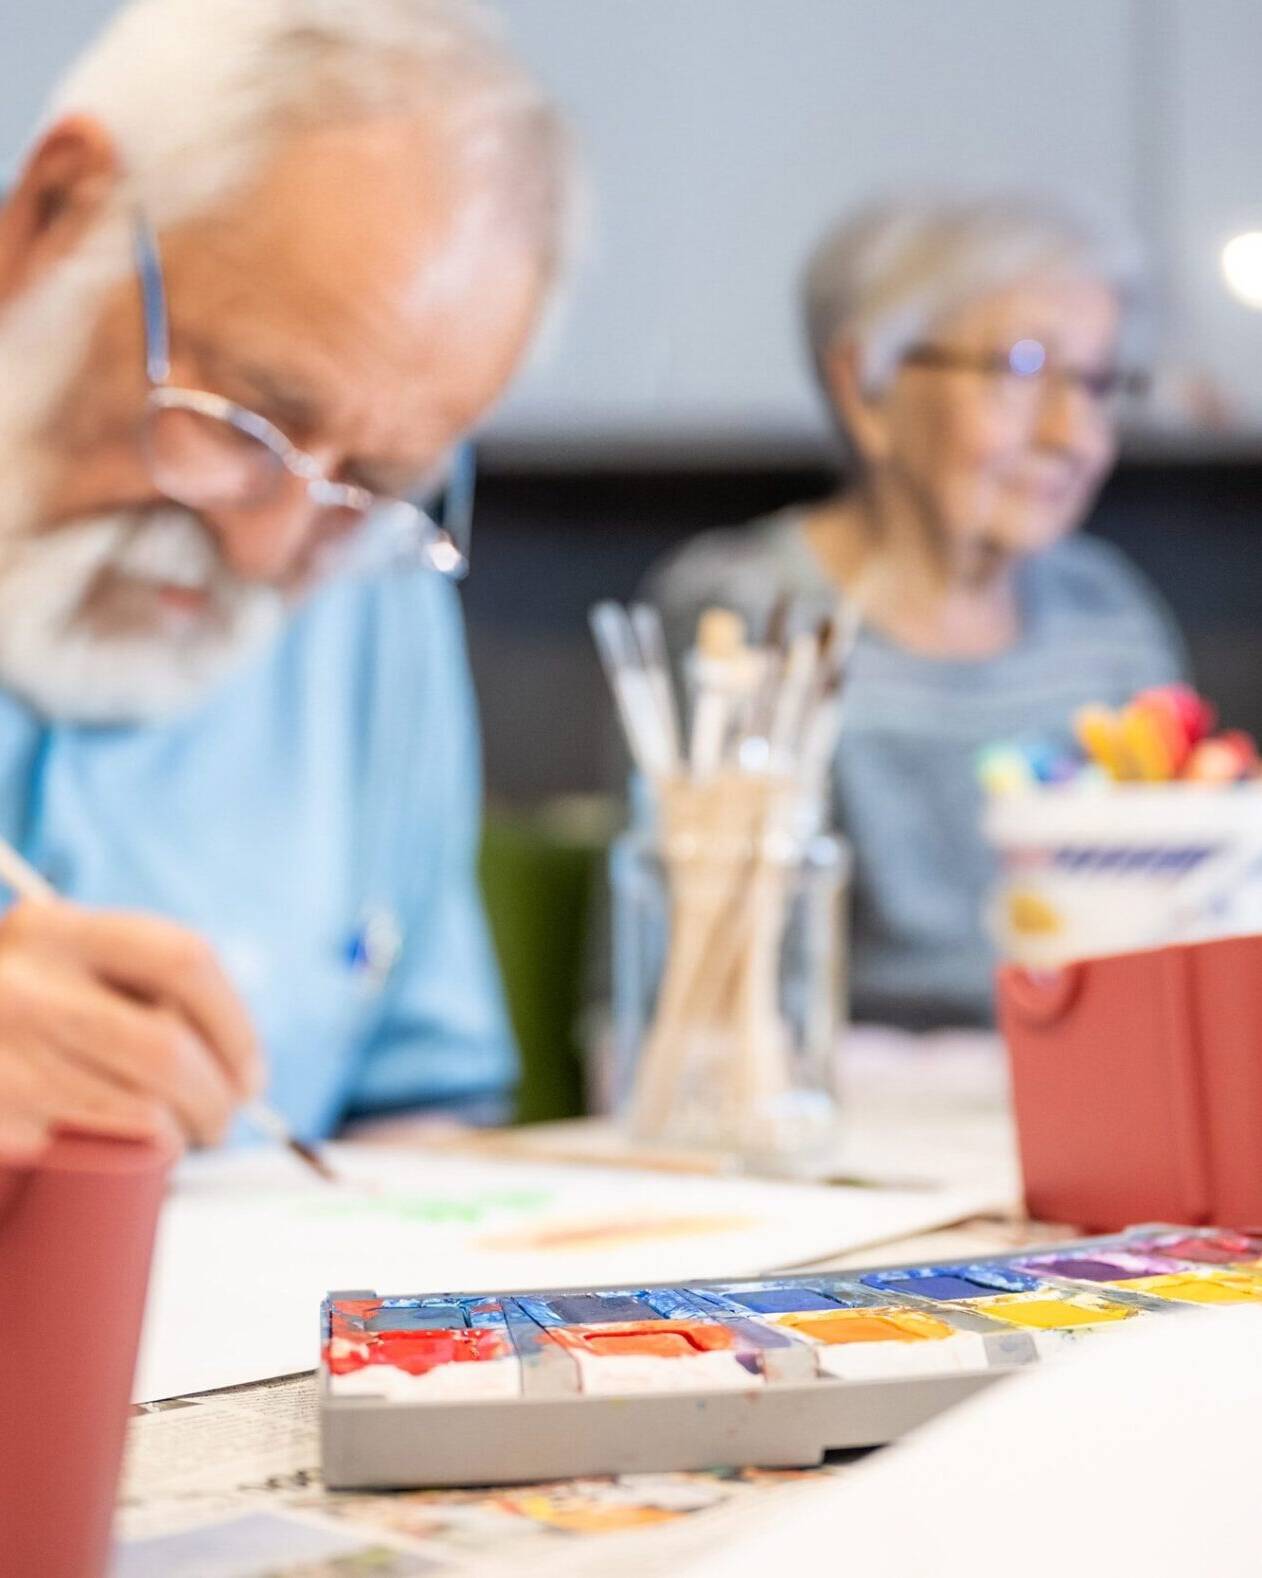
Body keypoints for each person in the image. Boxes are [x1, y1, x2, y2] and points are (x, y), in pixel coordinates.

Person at [0, 0, 574, 1160]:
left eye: (380, 475)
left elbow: (419, 1108)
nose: (269, 552)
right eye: (243, 421)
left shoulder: (374, 585)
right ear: (55, 216)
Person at [648, 194, 1186, 1029]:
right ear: (865, 387)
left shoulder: (1107, 617)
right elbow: (710, 1009)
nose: (1074, 435)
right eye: (1020, 370)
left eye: (1098, 384)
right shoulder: (749, 619)